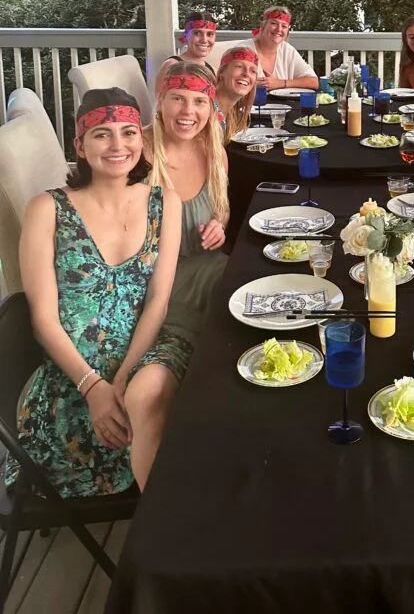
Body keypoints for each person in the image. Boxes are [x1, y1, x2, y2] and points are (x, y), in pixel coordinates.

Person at [6, 88, 188, 497]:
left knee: (149, 393)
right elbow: (43, 320)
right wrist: (94, 387)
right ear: (80, 146)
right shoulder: (47, 209)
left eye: (128, 132)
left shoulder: (164, 202)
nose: (118, 145)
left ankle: (159, 537)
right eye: (102, 134)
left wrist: (123, 376)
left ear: (142, 139)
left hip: (146, 348)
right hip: (73, 368)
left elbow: (158, 299)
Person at [145, 63, 229, 350]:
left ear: (210, 106)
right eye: (177, 98)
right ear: (160, 100)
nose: (188, 111)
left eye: (199, 101)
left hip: (210, 267)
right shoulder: (137, 152)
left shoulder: (214, 152)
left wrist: (219, 224)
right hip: (156, 283)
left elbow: (222, 207)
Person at [233, 6, 318, 90]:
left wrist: (281, 83)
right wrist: (250, 84)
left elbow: (313, 82)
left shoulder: (287, 50)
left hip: (282, 104)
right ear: (263, 26)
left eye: (284, 26)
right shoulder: (243, 50)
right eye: (274, 23)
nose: (279, 29)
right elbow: (226, 83)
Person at [156, 11, 217, 92]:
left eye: (210, 34)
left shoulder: (213, 71)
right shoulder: (171, 66)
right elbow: (160, 101)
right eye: (197, 33)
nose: (204, 40)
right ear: (186, 35)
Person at [215, 46, 259, 143]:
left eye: (253, 71)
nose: (246, 74)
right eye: (239, 66)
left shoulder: (230, 113)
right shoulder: (208, 113)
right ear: (222, 72)